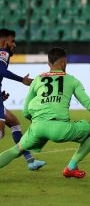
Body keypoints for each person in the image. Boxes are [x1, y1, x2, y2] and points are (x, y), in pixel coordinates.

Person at [0, 47, 90, 178]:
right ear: (64, 62)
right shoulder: (72, 80)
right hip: (60, 129)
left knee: (16, 150)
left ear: (49, 63)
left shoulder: (38, 79)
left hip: (37, 128)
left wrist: (38, 122)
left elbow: (25, 110)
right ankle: (71, 167)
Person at [0, 28, 45, 170]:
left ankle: (30, 161)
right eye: (12, 41)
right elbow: (0, 71)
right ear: (4, 40)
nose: (14, 45)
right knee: (0, 132)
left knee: (14, 122)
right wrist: (22, 80)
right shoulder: (3, 52)